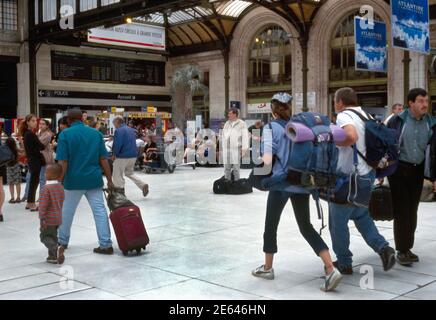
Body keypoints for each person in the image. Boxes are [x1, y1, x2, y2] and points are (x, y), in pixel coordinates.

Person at [251, 93, 342, 292]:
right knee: (306, 226)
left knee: (270, 225)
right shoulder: (301, 128)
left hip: (281, 185)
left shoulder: (270, 128)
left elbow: (266, 160)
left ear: (273, 110)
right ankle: (330, 268)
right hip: (301, 183)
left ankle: (267, 267)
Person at [329, 87, 396, 274]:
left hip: (349, 179)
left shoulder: (343, 116)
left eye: (335, 101)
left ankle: (344, 262)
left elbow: (351, 136)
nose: (335, 105)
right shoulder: (365, 114)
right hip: (367, 176)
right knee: (361, 216)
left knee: (338, 222)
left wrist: (331, 140)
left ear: (340, 102)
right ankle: (384, 249)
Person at [387, 88, 436, 266]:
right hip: (398, 170)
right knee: (402, 211)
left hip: (417, 171)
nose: (425, 104)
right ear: (411, 103)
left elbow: (434, 152)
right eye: (421, 101)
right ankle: (402, 250)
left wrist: (433, 176)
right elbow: (385, 142)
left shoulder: (430, 122)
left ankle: (407, 247)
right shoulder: (397, 121)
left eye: (426, 101)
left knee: (412, 210)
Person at [56, 108, 114, 254]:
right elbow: (103, 159)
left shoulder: (65, 134)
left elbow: (63, 162)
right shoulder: (96, 134)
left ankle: (62, 242)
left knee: (67, 212)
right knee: (100, 212)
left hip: (73, 181)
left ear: (68, 120)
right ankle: (106, 244)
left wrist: (58, 181)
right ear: (82, 118)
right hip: (94, 180)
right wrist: (110, 180)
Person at [112, 117, 149, 197]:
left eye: (114, 124)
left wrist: (114, 154)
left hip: (122, 156)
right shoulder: (131, 130)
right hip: (132, 156)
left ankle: (119, 194)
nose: (114, 126)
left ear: (117, 122)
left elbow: (118, 144)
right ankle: (142, 185)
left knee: (117, 175)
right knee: (130, 173)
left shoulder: (119, 131)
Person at [39, 164, 65, 264]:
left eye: (46, 172)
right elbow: (62, 200)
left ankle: (56, 248)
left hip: (48, 218)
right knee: (53, 236)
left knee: (44, 237)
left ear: (49, 175)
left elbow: (43, 205)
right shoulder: (60, 187)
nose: (45, 173)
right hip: (57, 217)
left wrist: (42, 218)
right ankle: (53, 257)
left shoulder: (46, 188)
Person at [19, 114, 45, 212]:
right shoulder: (30, 134)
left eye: (35, 121)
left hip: (32, 160)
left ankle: (29, 203)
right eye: (33, 121)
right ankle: (31, 203)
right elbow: (41, 146)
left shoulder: (27, 133)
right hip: (35, 160)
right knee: (34, 183)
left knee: (33, 182)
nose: (36, 123)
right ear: (28, 122)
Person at [221, 108, 249, 181]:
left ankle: (236, 184)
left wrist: (244, 149)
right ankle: (227, 183)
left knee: (236, 168)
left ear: (235, 114)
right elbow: (224, 135)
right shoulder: (227, 123)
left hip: (236, 149)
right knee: (226, 168)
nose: (228, 115)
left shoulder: (242, 123)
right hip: (227, 149)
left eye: (230, 113)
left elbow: (245, 137)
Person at [38, 119, 54, 191]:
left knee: (43, 179)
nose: (41, 125)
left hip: (45, 159)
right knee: (41, 178)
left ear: (47, 126)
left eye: (43, 124)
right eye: (40, 124)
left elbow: (38, 144)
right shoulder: (39, 133)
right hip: (40, 158)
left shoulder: (47, 135)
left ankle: (43, 196)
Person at [5, 137, 22, 203]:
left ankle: (12, 198)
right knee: (17, 183)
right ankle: (18, 197)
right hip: (16, 166)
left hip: (9, 167)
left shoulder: (6, 150)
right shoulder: (15, 149)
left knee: (11, 183)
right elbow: (21, 153)